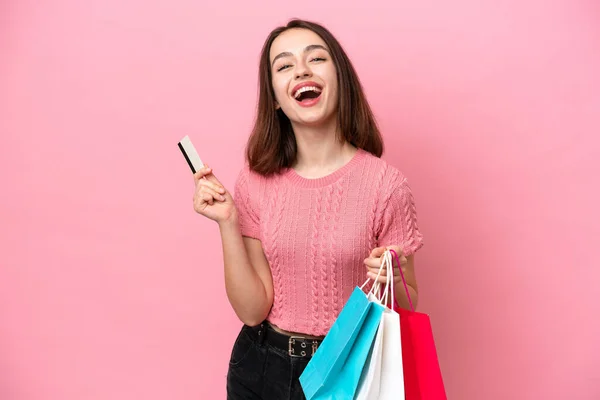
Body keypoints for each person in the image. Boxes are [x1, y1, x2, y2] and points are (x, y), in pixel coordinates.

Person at [191, 18, 424, 400]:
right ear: (277, 99)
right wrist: (228, 224)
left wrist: (391, 277)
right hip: (261, 366)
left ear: (340, 79)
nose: (301, 70)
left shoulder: (387, 185)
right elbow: (252, 311)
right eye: (284, 65)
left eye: (315, 59)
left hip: (349, 371)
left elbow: (410, 298)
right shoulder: (255, 182)